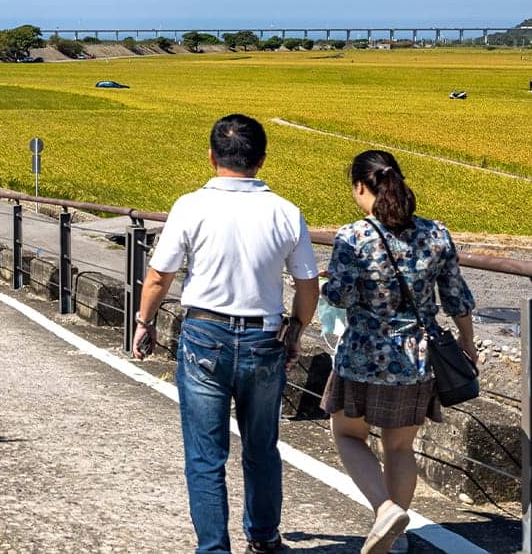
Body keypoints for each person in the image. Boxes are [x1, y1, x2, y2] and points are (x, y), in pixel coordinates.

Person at [134, 114, 319, 554]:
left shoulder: (190, 206)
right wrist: (295, 331)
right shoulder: (285, 211)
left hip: (204, 334)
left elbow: (160, 276)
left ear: (212, 156)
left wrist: (145, 322)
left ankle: (214, 548)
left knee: (205, 455)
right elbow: (308, 285)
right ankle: (264, 536)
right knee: (261, 449)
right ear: (261, 159)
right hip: (265, 338)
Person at [319, 150, 475, 554]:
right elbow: (457, 298)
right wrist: (468, 343)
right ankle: (396, 537)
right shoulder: (435, 233)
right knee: (400, 447)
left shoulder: (354, 237)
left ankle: (385, 510)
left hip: (362, 356)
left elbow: (339, 294)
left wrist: (330, 280)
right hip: (416, 357)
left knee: (348, 435)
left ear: (359, 187)